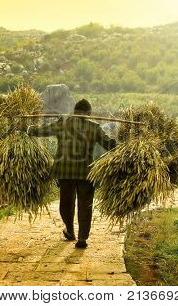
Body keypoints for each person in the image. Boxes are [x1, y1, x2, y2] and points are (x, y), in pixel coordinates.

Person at [27, 99, 116, 249]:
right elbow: (109, 145)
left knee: (66, 204)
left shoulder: (63, 123)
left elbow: (43, 130)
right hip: (86, 172)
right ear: (89, 113)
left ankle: (69, 230)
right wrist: (126, 145)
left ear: (74, 112)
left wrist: (29, 130)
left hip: (65, 171)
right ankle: (82, 238)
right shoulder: (95, 128)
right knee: (85, 205)